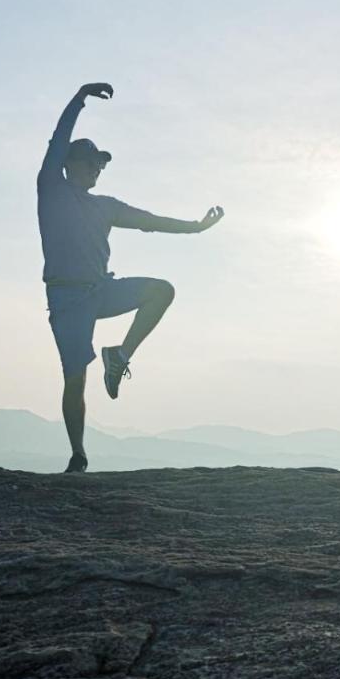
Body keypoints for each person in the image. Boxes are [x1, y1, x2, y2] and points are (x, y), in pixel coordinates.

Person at [37, 82, 224, 473]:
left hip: (101, 291)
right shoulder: (52, 190)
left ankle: (119, 355)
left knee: (162, 291)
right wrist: (79, 98)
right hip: (67, 300)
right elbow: (58, 139)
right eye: (92, 163)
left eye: (101, 165)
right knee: (75, 379)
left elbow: (149, 221)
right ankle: (79, 455)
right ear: (70, 164)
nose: (97, 169)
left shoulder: (106, 207)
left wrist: (196, 227)